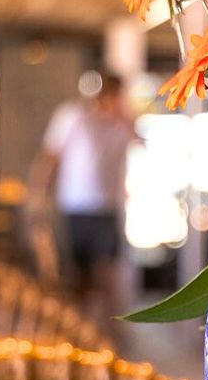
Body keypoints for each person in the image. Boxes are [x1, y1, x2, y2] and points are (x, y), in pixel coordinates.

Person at [31, 74, 135, 315]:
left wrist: (121, 117)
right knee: (76, 276)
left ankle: (110, 336)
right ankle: (78, 335)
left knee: (108, 276)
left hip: (107, 208)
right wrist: (37, 194)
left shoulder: (120, 124)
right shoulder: (73, 116)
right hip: (75, 206)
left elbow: (139, 140)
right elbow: (50, 156)